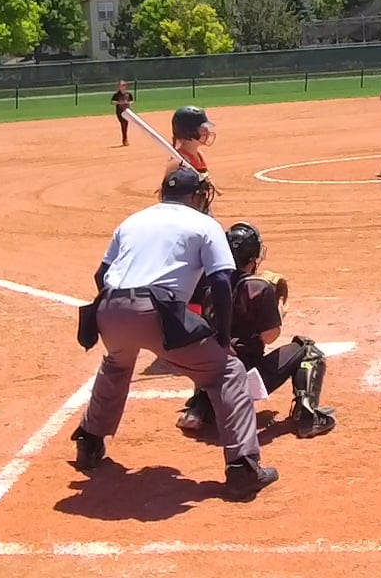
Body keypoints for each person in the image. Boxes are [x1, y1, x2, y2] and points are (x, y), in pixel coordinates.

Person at [69, 168, 278, 497]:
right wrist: (222, 338)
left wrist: (124, 315)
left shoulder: (132, 221)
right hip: (158, 312)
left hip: (109, 310)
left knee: (117, 364)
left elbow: (102, 274)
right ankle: (243, 468)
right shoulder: (204, 224)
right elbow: (221, 281)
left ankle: (89, 442)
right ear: (195, 196)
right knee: (227, 371)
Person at [175, 221, 336, 440]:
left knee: (212, 352)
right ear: (254, 257)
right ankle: (308, 416)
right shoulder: (258, 288)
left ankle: (199, 407)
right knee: (307, 349)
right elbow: (269, 336)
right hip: (245, 379)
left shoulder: (208, 283)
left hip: (211, 374)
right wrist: (278, 313)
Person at [166, 105, 220, 213]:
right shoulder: (179, 161)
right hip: (186, 212)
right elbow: (166, 193)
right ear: (189, 132)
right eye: (203, 129)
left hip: (202, 208)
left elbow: (204, 177)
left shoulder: (199, 155)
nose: (207, 132)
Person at [111, 81, 134, 145]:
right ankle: (125, 139)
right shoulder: (116, 94)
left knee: (126, 124)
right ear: (119, 87)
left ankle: (125, 138)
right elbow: (112, 102)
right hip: (120, 112)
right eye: (122, 85)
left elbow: (131, 101)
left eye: (124, 85)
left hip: (127, 111)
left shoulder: (128, 94)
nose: (123, 87)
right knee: (123, 123)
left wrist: (128, 103)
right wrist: (120, 103)